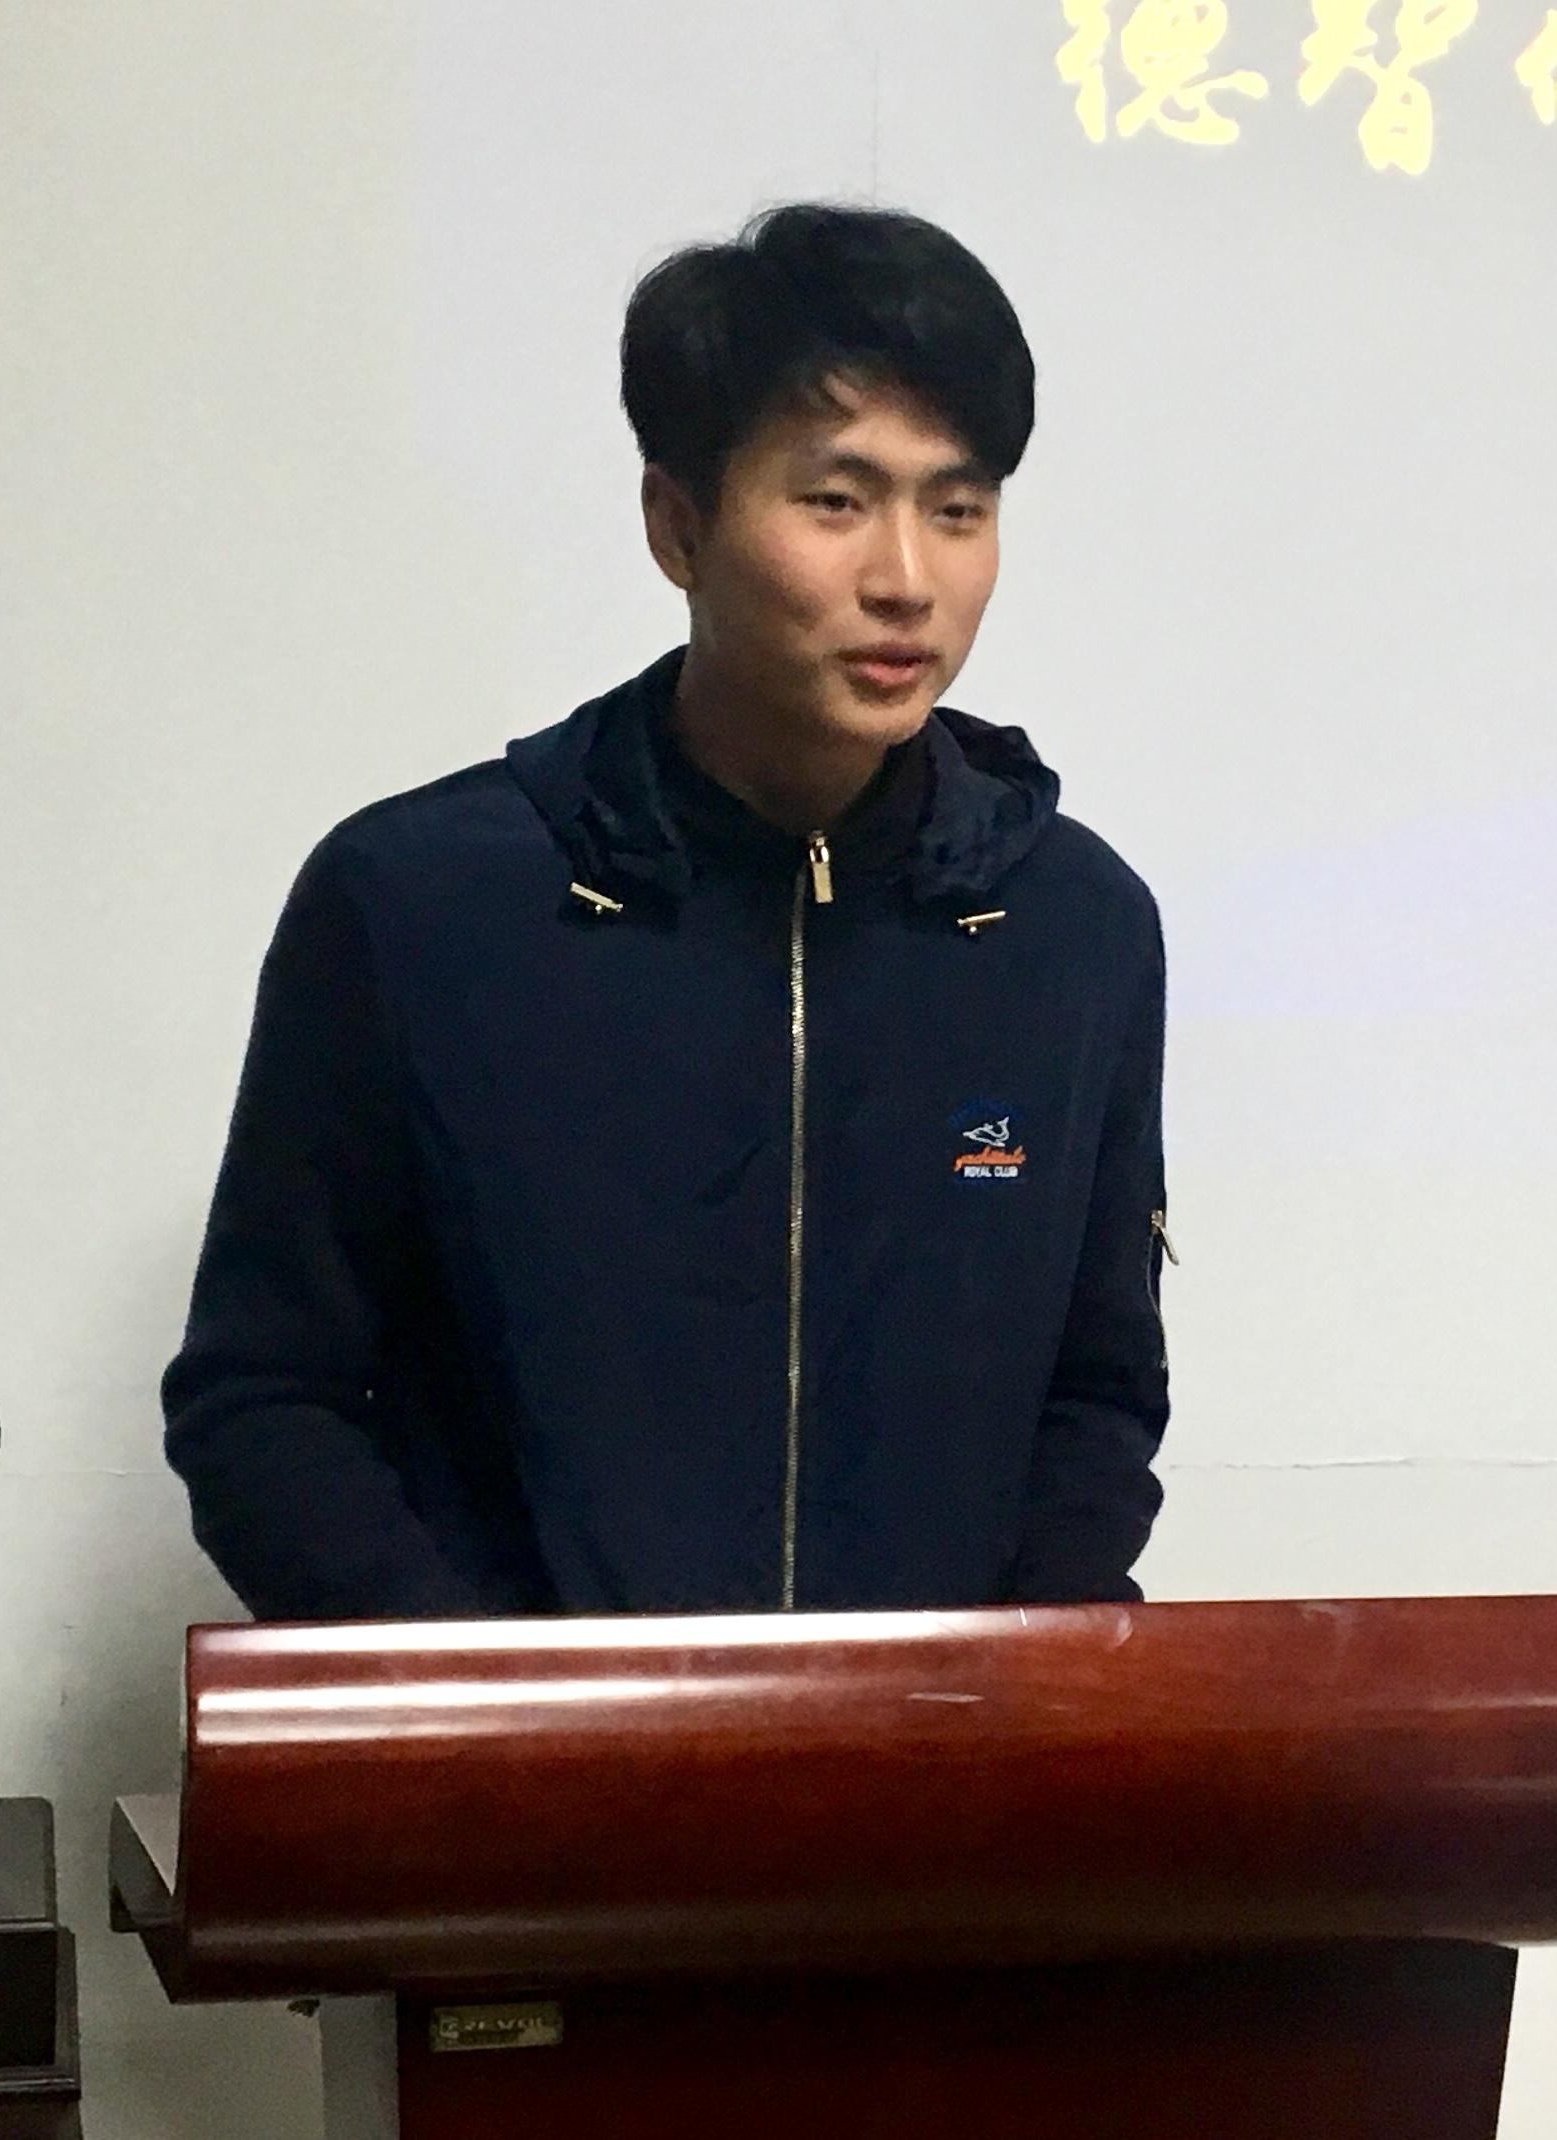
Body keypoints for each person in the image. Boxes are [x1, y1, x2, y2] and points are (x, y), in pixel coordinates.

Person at [162, 204, 1168, 1620]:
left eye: (958, 509)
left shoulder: (1072, 926)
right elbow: (266, 1403)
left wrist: (1002, 1698)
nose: (906, 579)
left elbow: (1098, 1396)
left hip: (944, 1753)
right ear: (678, 523)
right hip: (519, 1754)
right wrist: (502, 1714)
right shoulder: (419, 904)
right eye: (836, 501)